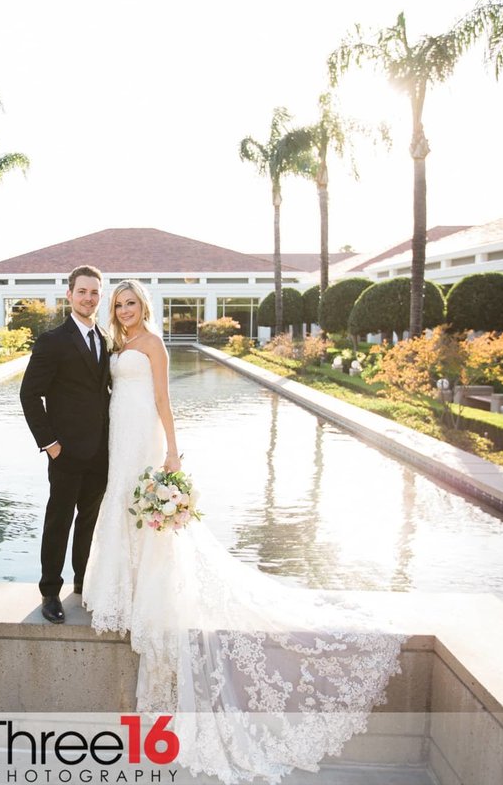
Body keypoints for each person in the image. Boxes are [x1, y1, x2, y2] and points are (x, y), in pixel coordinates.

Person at [82, 279, 406, 782]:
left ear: (143, 306)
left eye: (130, 303)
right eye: (117, 304)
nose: (123, 310)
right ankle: (119, 588)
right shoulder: (116, 343)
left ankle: (145, 592)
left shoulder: (152, 344)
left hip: (144, 435)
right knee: (119, 506)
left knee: (146, 518)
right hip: (117, 438)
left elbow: (164, 400)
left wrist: (171, 451)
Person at [19, 265, 111, 624]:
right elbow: (29, 395)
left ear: (99, 297)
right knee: (59, 520)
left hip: (101, 452)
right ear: (69, 295)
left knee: (89, 521)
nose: (88, 298)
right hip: (66, 452)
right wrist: (51, 444)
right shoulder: (52, 341)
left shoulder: (104, 338)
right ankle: (49, 592)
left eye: (94, 293)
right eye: (82, 291)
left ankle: (82, 583)